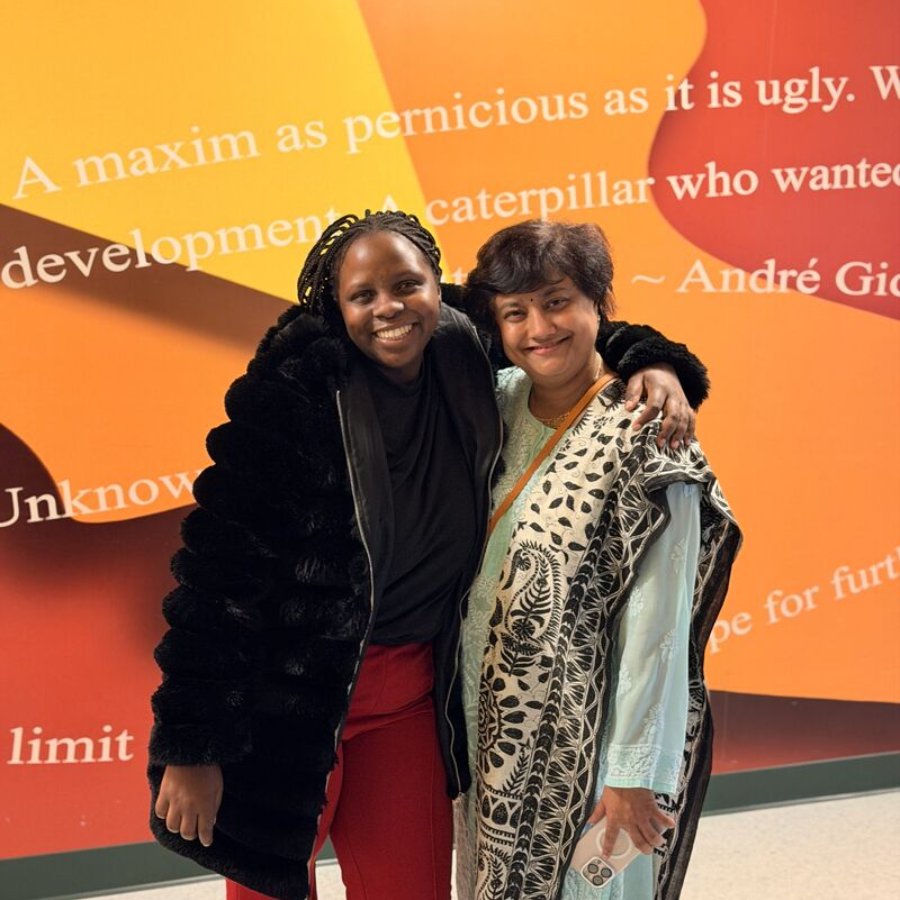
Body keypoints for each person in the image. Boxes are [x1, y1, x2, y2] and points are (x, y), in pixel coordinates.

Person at [147, 211, 710, 900]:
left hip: (408, 697)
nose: (389, 308)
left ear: (437, 290)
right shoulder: (294, 385)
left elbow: (557, 332)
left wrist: (657, 363)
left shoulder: (461, 346)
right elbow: (216, 571)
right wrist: (192, 742)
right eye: (363, 295)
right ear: (335, 303)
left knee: (411, 888)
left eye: (407, 285)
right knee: (269, 887)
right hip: (290, 699)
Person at [456, 220, 741, 900]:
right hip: (484, 731)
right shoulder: (491, 404)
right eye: (515, 312)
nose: (538, 328)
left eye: (557, 302)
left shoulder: (650, 434)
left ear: (597, 303)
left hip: (590, 744)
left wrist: (633, 770)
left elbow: (659, 626)